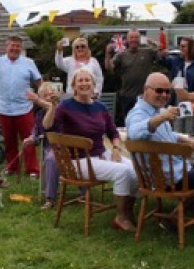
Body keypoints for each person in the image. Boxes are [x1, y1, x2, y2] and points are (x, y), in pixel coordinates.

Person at [36, 70, 140, 230]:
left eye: (87, 80)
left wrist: (116, 148)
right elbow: (47, 125)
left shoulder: (101, 107)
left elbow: (113, 132)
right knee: (122, 173)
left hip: (101, 154)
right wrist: (52, 107)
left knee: (136, 169)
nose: (84, 83)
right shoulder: (65, 106)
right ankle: (120, 217)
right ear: (74, 86)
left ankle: (128, 211)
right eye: (80, 81)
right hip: (77, 161)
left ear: (93, 85)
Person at [125, 72, 194, 212]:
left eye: (167, 91)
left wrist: (187, 140)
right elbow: (134, 133)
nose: (164, 95)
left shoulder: (156, 110)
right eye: (159, 90)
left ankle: (184, 213)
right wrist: (161, 117)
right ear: (146, 89)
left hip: (175, 171)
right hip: (168, 177)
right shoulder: (138, 113)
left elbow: (167, 134)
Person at [0, 35, 43, 178]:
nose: (14, 48)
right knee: (10, 141)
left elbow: (39, 82)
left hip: (24, 108)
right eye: (12, 45)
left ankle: (32, 170)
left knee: (29, 140)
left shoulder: (29, 62)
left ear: (21, 48)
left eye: (17, 46)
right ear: (6, 47)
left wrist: (41, 97)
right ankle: (12, 167)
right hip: (5, 109)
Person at [105, 30, 164, 126]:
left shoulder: (148, 52)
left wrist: (156, 44)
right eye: (131, 37)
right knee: (128, 122)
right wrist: (108, 54)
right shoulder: (121, 54)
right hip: (127, 96)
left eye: (136, 37)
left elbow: (162, 54)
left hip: (145, 96)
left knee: (146, 122)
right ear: (127, 40)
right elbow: (109, 68)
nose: (134, 40)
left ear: (140, 39)